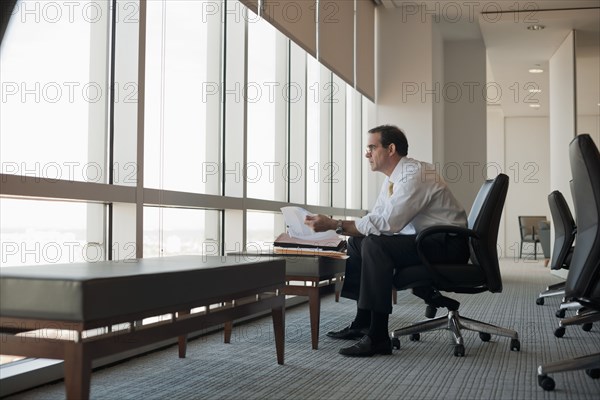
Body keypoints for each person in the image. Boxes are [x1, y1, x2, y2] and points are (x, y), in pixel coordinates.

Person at [304, 125, 470, 357]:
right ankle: (363, 321)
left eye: (372, 147)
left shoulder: (416, 175)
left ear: (390, 149)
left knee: (374, 244)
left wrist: (335, 224)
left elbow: (389, 224)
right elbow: (377, 218)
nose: (366, 153)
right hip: (427, 241)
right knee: (358, 243)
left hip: (448, 245)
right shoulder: (394, 178)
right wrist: (345, 228)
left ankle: (378, 336)